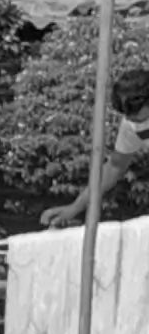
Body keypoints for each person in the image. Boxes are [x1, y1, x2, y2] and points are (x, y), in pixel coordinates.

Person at [41, 69, 149, 228]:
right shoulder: (132, 124)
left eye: (139, 115)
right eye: (128, 114)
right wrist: (75, 208)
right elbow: (115, 167)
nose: (133, 119)